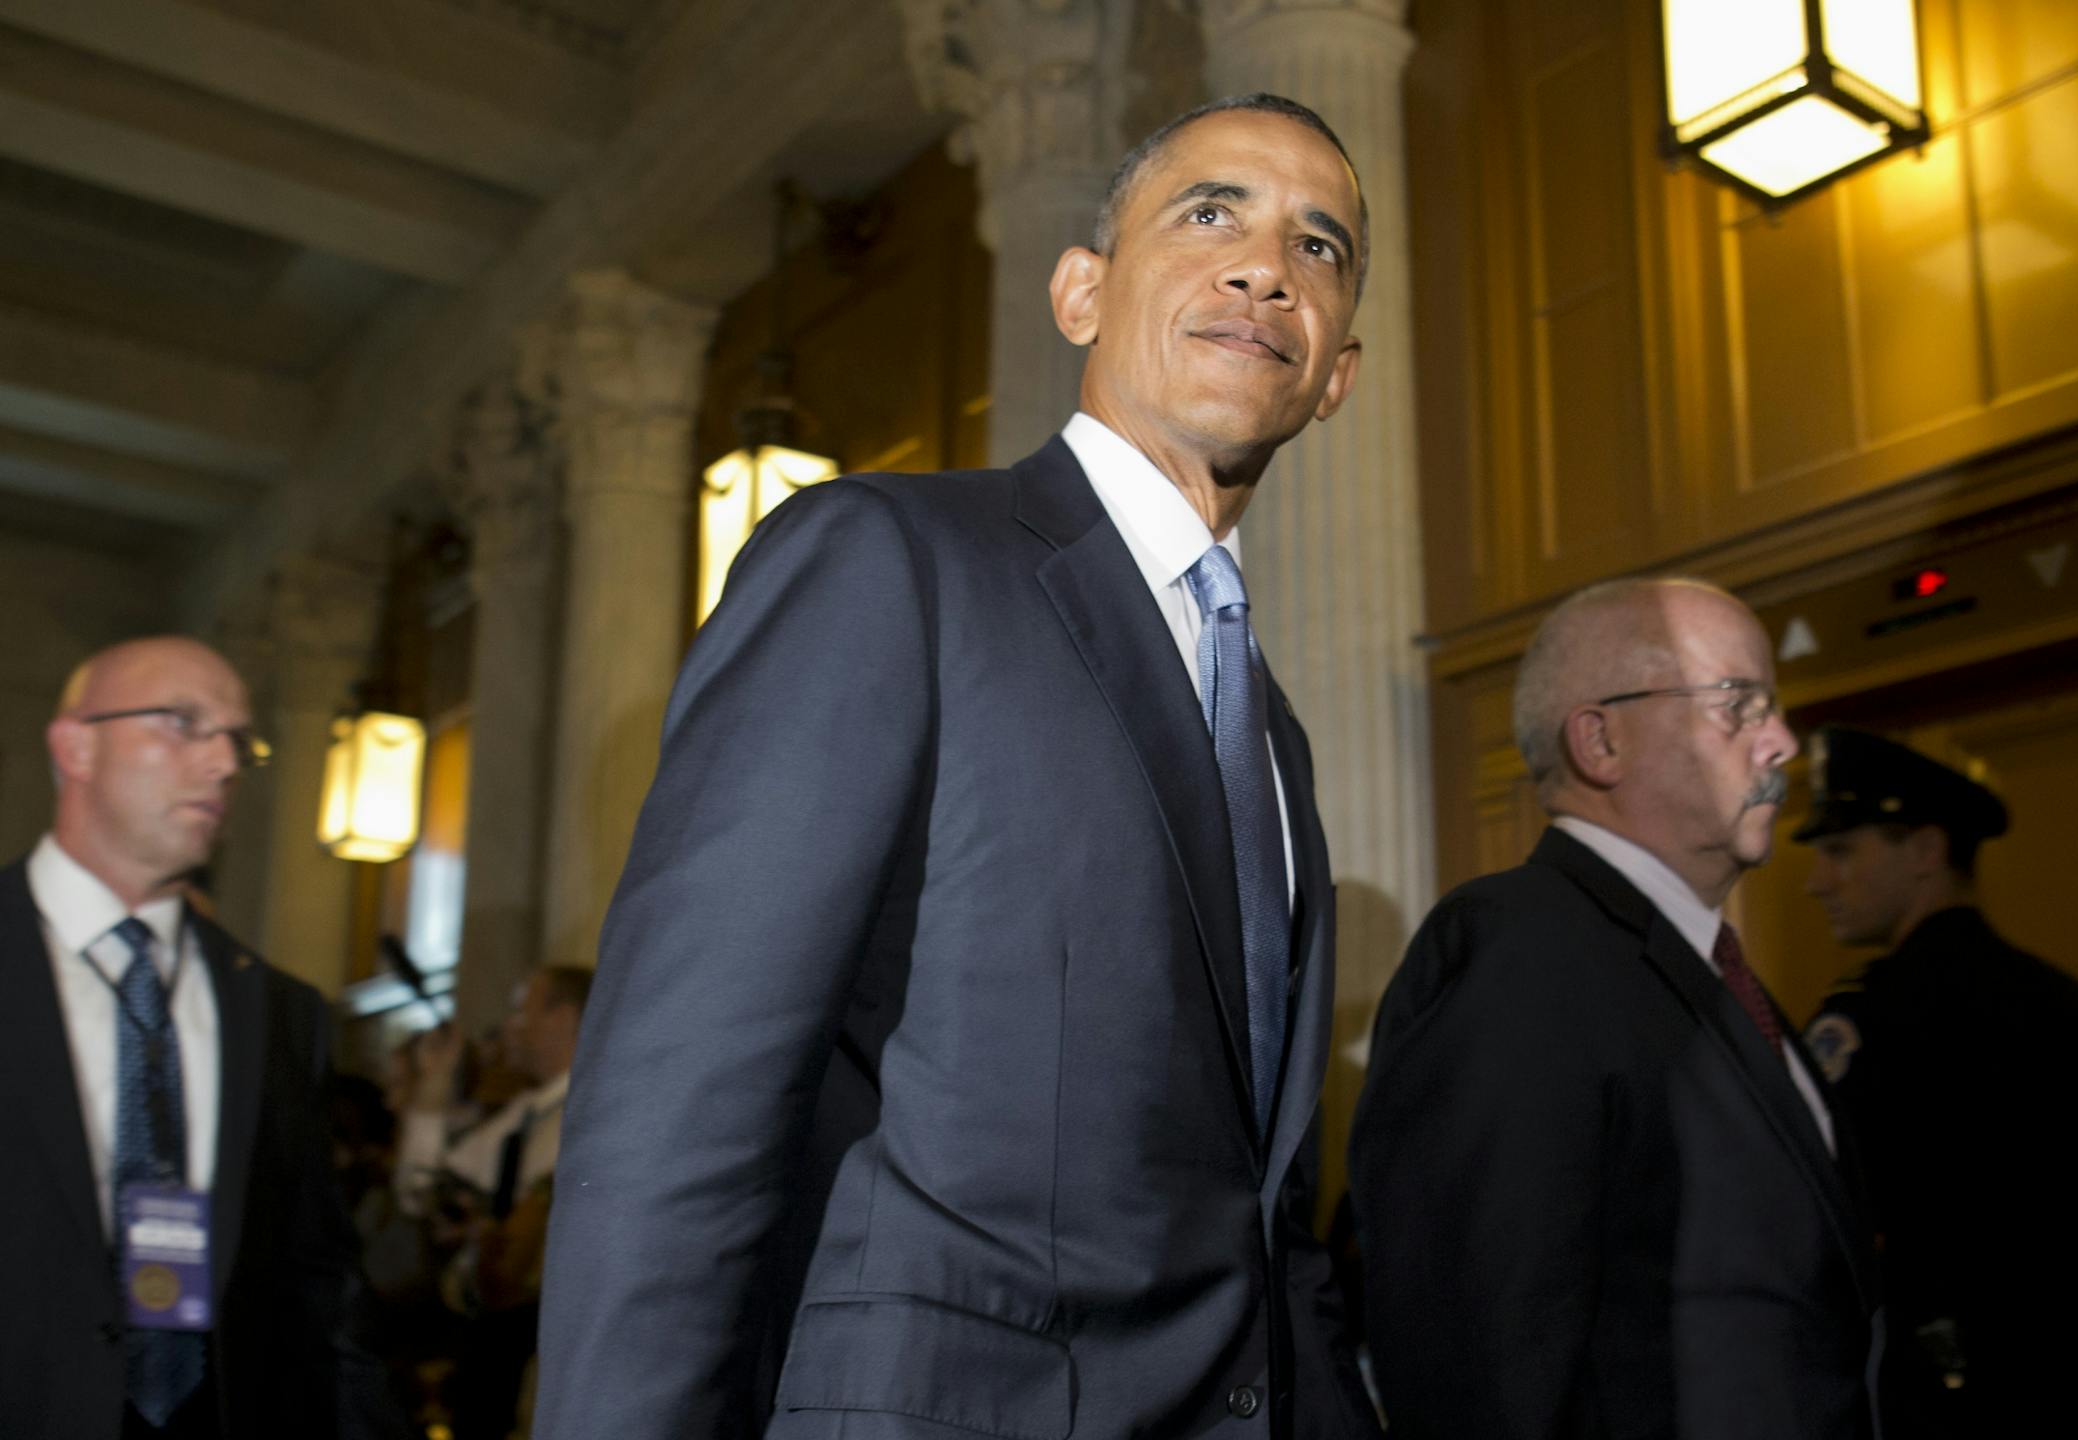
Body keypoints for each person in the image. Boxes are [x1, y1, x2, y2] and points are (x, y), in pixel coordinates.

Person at [535, 92, 1378, 1438]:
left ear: (1336, 373)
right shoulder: (886, 563)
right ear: (1079, 293)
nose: (1264, 266)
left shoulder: (1270, 733)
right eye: (1210, 212)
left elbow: (1259, 1201)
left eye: (1318, 247)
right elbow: (684, 1108)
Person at [1351, 578, 1880, 1439]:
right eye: (1738, 706)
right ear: (1601, 740)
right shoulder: (1521, 951)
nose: (1783, 743)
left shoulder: (1702, 965)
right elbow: (1483, 1361)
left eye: (1773, 709)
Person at [0, 636, 403, 1438]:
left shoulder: (279, 1008)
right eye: (183, 723)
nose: (223, 762)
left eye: (237, 740)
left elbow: (321, 1288)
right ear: (75, 746)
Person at [1797, 726, 2078, 1439]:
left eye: (1841, 851)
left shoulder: (1873, 1015)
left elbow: (1806, 1217)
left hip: (1931, 1410)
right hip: (2069, 1405)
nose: (1816, 880)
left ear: (1927, 850)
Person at [399, 965, 590, 1440]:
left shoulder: (594, 1112)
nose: (510, 1026)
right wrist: (436, 1084)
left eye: (522, 1009)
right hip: (488, 1332)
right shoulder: (525, 1116)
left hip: (543, 1345)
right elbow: (421, 1190)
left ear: (564, 1019)